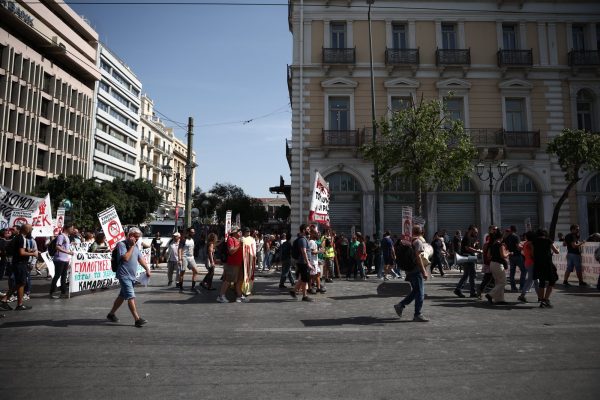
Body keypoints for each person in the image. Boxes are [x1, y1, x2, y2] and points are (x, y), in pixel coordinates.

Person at [106, 227, 151, 327]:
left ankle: (111, 314)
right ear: (130, 235)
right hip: (123, 275)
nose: (137, 239)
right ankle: (137, 319)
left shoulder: (135, 247)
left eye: (138, 237)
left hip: (131, 276)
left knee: (122, 296)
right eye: (136, 237)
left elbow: (140, 258)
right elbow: (125, 258)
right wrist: (131, 246)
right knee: (131, 296)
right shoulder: (121, 245)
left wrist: (147, 269)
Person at [393, 225, 429, 322]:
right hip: (416, 270)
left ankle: (400, 305)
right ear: (421, 232)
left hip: (408, 269)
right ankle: (417, 314)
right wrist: (424, 271)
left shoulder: (406, 241)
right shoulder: (418, 242)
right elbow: (419, 258)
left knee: (416, 291)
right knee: (420, 293)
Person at [0, 224, 38, 310]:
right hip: (20, 264)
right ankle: (18, 304)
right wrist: (33, 253)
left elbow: (18, 250)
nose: (31, 230)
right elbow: (21, 253)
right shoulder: (22, 238)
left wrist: (29, 250)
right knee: (21, 283)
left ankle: (5, 300)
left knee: (20, 283)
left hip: (17, 263)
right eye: (31, 229)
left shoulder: (17, 237)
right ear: (27, 230)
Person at [216, 227, 247, 303]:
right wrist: (239, 245)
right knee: (228, 281)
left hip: (239, 264)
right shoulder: (231, 239)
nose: (241, 232)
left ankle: (239, 296)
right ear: (235, 232)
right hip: (232, 264)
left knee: (239, 281)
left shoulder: (239, 240)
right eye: (239, 231)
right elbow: (231, 251)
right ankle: (221, 296)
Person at [532, 229, 559, 308]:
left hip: (538, 264)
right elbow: (556, 251)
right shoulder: (548, 241)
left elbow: (533, 254)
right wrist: (558, 249)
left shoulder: (534, 242)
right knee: (552, 280)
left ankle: (541, 300)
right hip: (547, 264)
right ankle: (545, 299)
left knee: (542, 282)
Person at [454, 225, 480, 298]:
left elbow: (469, 247)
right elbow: (467, 248)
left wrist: (475, 245)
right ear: (471, 230)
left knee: (467, 274)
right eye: (475, 232)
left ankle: (459, 289)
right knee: (472, 274)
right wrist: (477, 250)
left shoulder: (469, 238)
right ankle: (472, 291)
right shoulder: (467, 238)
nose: (476, 234)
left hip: (469, 257)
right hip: (468, 257)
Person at [50, 224, 74, 299]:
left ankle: (63, 293)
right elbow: (57, 247)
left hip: (65, 259)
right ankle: (52, 292)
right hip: (59, 259)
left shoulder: (67, 237)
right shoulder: (61, 236)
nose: (72, 230)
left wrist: (71, 245)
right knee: (57, 276)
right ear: (67, 228)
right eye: (72, 228)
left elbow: (64, 246)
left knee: (64, 277)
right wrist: (68, 252)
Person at [485, 230, 509, 305]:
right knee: (503, 282)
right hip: (498, 264)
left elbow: (488, 256)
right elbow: (503, 256)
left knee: (498, 282)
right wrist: (508, 253)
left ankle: (499, 299)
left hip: (492, 264)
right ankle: (490, 294)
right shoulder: (500, 245)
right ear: (501, 237)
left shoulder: (492, 245)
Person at [290, 224, 313, 302]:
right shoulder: (302, 240)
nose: (309, 230)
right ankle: (304, 296)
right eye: (308, 229)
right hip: (303, 262)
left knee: (302, 278)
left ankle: (293, 291)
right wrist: (308, 263)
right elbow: (304, 252)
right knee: (304, 279)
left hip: (303, 262)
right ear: (303, 230)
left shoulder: (304, 239)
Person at [178, 227, 201, 293]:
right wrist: (180, 259)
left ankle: (193, 287)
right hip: (184, 257)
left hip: (191, 258)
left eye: (194, 232)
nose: (193, 233)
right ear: (188, 232)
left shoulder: (192, 240)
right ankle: (181, 287)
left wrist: (193, 256)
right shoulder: (183, 240)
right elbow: (179, 249)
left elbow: (192, 249)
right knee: (182, 272)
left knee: (196, 271)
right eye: (192, 232)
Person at [518, 230, 538, 303]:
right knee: (531, 280)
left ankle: (540, 296)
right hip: (531, 263)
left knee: (535, 280)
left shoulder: (526, 243)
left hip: (527, 262)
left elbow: (523, 253)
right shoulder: (530, 244)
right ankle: (522, 295)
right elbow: (533, 254)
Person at [504, 225, 525, 292]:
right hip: (518, 256)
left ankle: (513, 287)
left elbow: (506, 247)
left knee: (512, 273)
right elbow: (518, 246)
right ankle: (522, 287)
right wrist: (524, 247)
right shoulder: (516, 236)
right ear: (515, 230)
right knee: (524, 270)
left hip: (511, 256)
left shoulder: (507, 237)